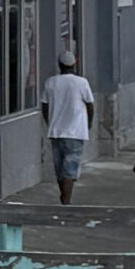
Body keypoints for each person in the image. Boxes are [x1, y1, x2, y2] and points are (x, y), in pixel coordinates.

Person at [38, 50, 95, 204]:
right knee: (70, 168)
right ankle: (66, 201)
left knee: (59, 168)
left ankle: (64, 196)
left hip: (56, 131)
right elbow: (90, 105)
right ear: (74, 64)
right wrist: (89, 122)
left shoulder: (51, 82)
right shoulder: (82, 82)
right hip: (75, 132)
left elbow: (44, 105)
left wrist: (49, 122)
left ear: (60, 65)